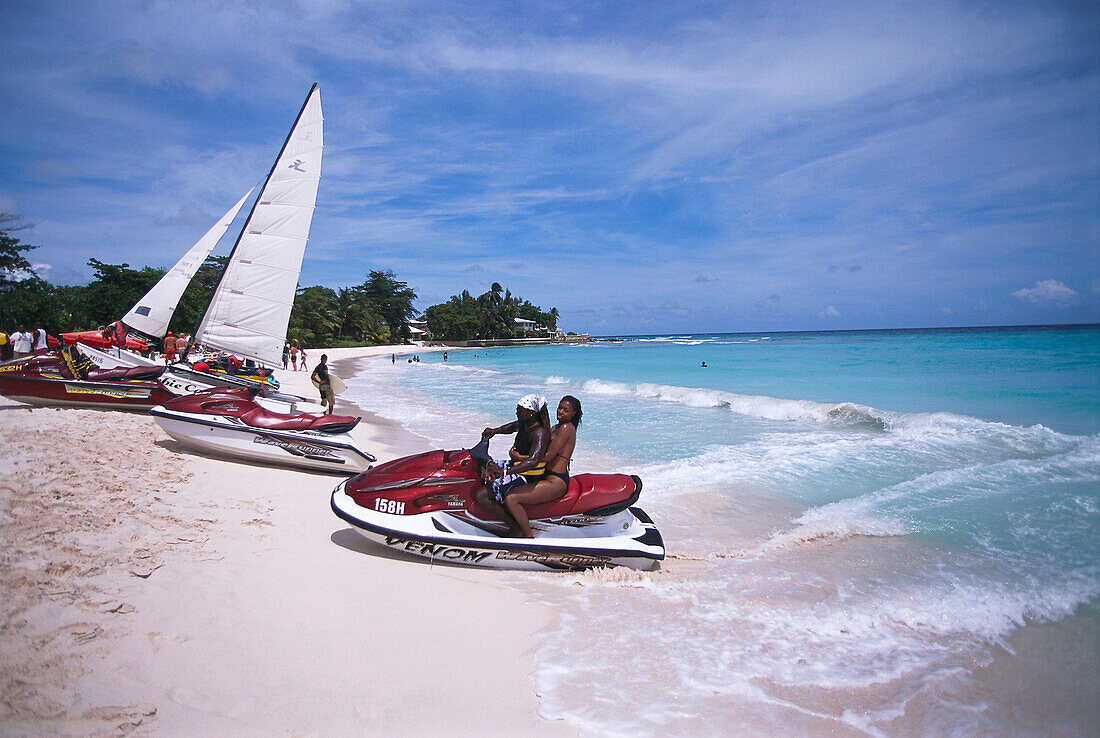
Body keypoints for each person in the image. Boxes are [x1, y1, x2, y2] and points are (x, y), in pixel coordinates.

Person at [503, 396, 582, 538]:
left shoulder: (566, 428)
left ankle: (527, 536)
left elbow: (547, 456)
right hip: (545, 476)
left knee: (511, 498)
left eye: (566, 410)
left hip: (555, 482)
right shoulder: (555, 428)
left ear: (573, 414)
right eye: (560, 407)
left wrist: (519, 458)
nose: (560, 411)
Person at [474, 394, 552, 535]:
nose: (517, 412)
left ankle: (514, 526)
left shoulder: (539, 433)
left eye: (520, 410)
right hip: (515, 466)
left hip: (527, 476)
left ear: (531, 413)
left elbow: (533, 460)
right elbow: (511, 427)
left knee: (481, 495)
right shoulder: (525, 423)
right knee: (481, 467)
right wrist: (494, 431)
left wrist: (504, 472)